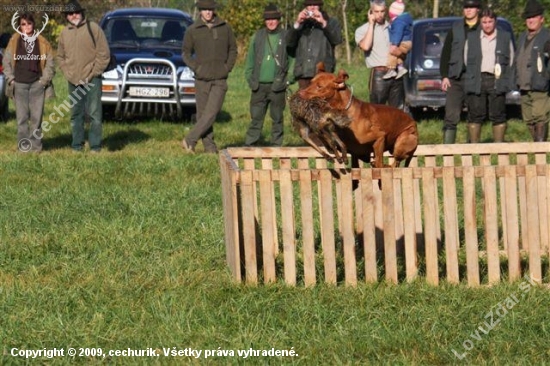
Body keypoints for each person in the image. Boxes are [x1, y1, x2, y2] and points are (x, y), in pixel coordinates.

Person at [182, 0, 237, 154]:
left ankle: (189, 139)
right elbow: (185, 53)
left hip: (220, 79)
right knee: (202, 115)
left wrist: (227, 68)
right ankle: (210, 148)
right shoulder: (192, 30)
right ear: (200, 11)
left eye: (210, 9)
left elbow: (233, 49)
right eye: (204, 9)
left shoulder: (225, 28)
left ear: (214, 10)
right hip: (201, 79)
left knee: (212, 112)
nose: (207, 12)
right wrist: (196, 68)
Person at [57, 0, 110, 153]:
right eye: (70, 13)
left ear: (82, 13)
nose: (74, 15)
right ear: (66, 16)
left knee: (95, 114)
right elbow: (60, 56)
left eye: (76, 12)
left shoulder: (93, 28)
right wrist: (67, 72)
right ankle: (77, 145)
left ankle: (95, 146)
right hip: (73, 80)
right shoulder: (64, 32)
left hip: (92, 79)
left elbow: (104, 54)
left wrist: (94, 73)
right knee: (76, 115)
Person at [3, 12, 55, 153]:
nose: (26, 26)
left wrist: (44, 81)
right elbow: (6, 61)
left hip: (37, 85)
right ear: (20, 26)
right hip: (19, 84)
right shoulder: (14, 40)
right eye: (23, 24)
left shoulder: (42, 41)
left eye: (29, 23)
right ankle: (24, 148)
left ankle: (36, 148)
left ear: (34, 24)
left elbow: (50, 62)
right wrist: (11, 79)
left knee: (36, 119)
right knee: (21, 119)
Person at [244, 4, 293, 147]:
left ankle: (276, 146)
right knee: (255, 118)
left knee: (277, 118)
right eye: (268, 19)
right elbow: (250, 61)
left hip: (278, 86)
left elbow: (293, 60)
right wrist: (250, 79)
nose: (271, 22)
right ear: (264, 21)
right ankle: (250, 146)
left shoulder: (286, 36)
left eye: (274, 19)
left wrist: (288, 80)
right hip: (258, 86)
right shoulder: (257, 36)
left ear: (278, 20)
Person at [463, 8, 514, 143]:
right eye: (484, 22)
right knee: (475, 114)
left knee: (498, 114)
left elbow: (511, 58)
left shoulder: (505, 37)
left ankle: (498, 148)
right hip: (477, 79)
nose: (487, 25)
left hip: (497, 79)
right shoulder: (472, 37)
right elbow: (466, 59)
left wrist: (506, 78)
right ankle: (474, 149)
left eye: (490, 22)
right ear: (480, 22)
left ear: (495, 22)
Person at [440, 0, 481, 144]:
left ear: (478, 9)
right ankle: (447, 151)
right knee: (450, 115)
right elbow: (446, 53)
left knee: (475, 115)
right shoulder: (456, 27)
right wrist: (444, 76)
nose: (468, 10)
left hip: (475, 77)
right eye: (466, 7)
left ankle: (473, 150)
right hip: (455, 77)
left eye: (472, 7)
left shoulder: (483, 27)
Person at [355, 0, 405, 108]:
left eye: (382, 11)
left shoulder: (393, 27)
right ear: (370, 12)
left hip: (396, 72)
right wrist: (371, 24)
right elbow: (365, 46)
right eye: (376, 11)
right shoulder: (362, 30)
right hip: (379, 75)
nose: (379, 14)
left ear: (386, 11)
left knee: (397, 111)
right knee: (376, 110)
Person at [514, 0, 550, 142]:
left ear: (542, 19)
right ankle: (537, 146)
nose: (531, 20)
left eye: (534, 17)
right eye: (528, 17)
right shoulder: (522, 37)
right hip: (524, 84)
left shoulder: (547, 36)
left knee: (540, 116)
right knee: (529, 119)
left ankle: (540, 152)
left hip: (540, 84)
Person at [286, 0, 342, 89]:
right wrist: (297, 23)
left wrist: (323, 23)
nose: (312, 7)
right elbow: (289, 43)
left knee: (323, 102)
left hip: (323, 72)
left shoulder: (331, 22)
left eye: (315, 5)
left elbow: (337, 40)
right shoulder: (301, 24)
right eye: (309, 5)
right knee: (305, 102)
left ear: (320, 6)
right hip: (303, 73)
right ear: (305, 7)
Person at [382, 0, 413, 80]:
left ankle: (391, 70)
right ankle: (400, 68)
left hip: (403, 42)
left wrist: (394, 44)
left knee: (392, 53)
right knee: (398, 55)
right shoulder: (404, 19)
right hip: (408, 42)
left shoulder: (398, 22)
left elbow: (397, 33)